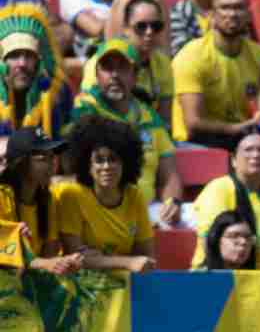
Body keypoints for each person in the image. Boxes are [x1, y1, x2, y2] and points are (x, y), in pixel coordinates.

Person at [70, 38, 181, 224]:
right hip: (101, 210)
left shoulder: (149, 116)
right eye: (107, 68)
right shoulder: (85, 110)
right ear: (97, 76)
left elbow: (169, 174)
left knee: (196, 217)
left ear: (135, 75)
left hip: (148, 209)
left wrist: (172, 202)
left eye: (122, 68)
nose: (114, 75)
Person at [172, 0, 260, 149]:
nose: (232, 14)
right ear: (211, 15)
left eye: (239, 7)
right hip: (197, 143)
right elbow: (193, 124)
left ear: (248, 14)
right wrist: (235, 129)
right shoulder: (191, 56)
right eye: (225, 8)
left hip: (245, 140)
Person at [55, 115, 156, 274]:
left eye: (113, 159)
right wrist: (126, 261)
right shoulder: (71, 195)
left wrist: (99, 259)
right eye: (99, 160)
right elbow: (74, 257)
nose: (106, 166)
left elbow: (145, 257)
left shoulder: (134, 196)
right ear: (87, 165)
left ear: (126, 163)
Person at [191, 127, 260, 270]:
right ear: (233, 159)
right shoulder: (219, 189)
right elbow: (210, 244)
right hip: (222, 280)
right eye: (248, 150)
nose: (256, 155)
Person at [0, 126, 82, 274]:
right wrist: (46, 264)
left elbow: (49, 254)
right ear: (20, 163)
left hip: (27, 284)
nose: (52, 165)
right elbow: (7, 260)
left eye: (52, 157)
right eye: (43, 158)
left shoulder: (48, 199)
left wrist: (62, 264)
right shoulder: (2, 196)